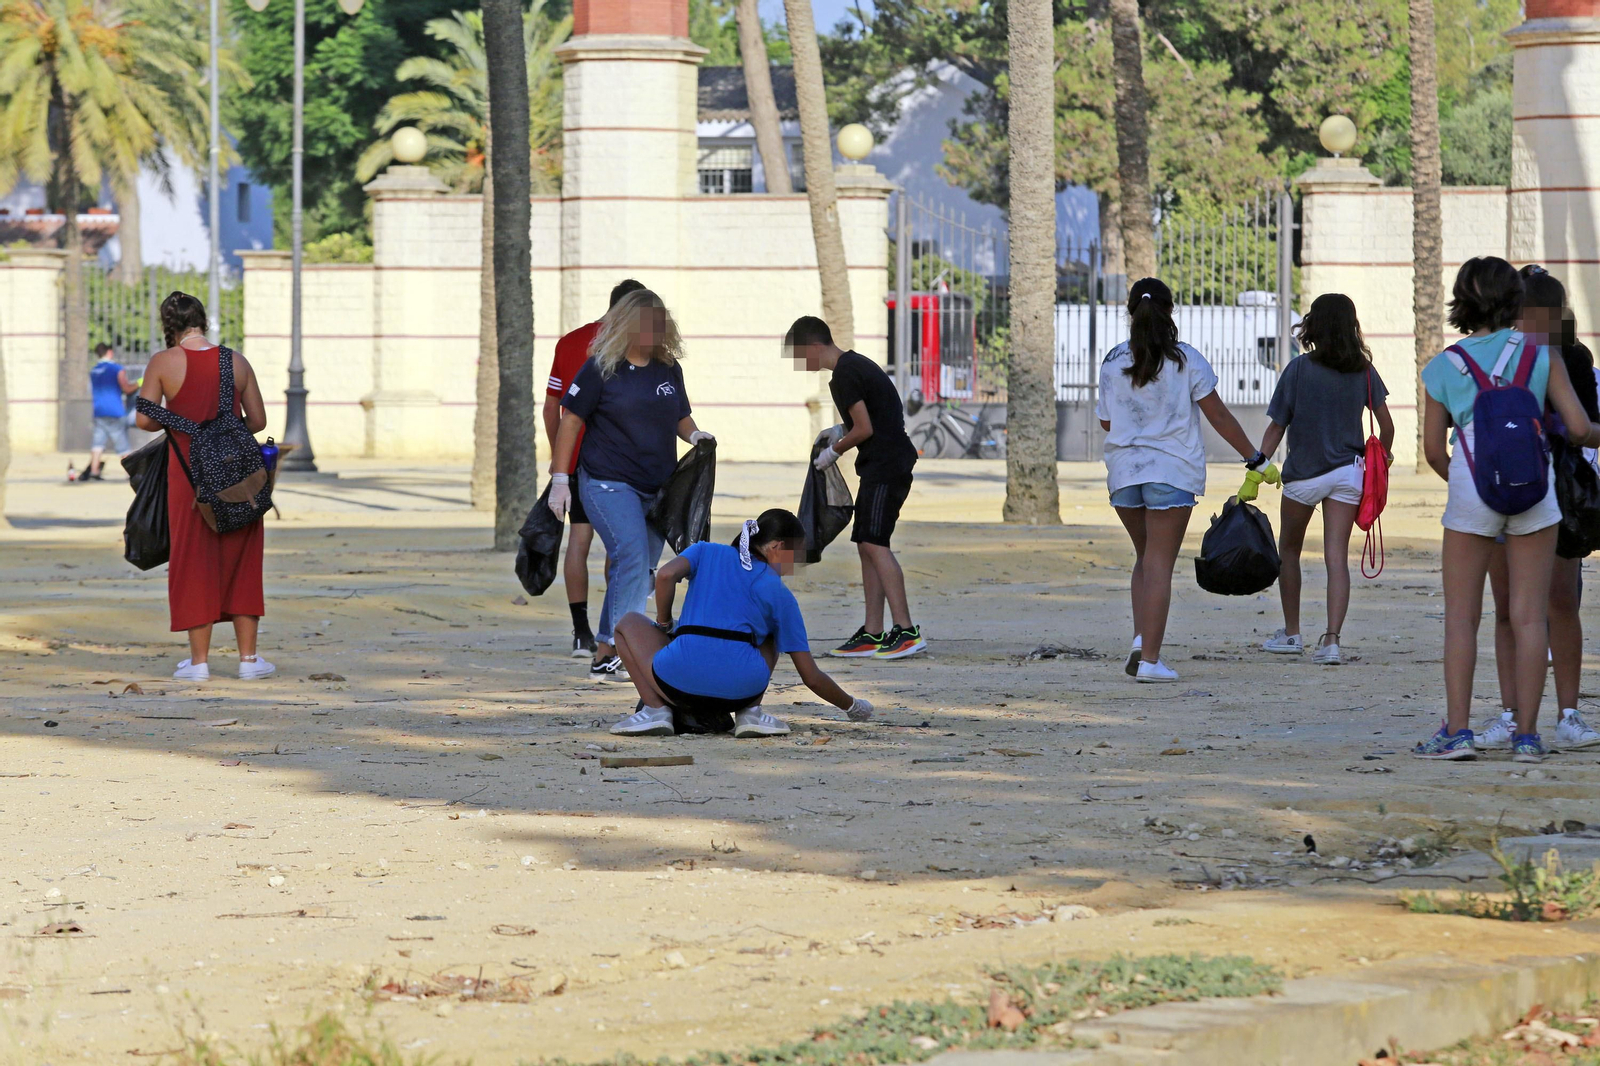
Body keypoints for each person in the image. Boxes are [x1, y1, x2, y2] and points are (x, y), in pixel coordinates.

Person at [1413, 257, 1600, 763]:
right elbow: (1578, 428)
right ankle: (1528, 737)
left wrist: (1467, 481)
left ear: (1462, 302)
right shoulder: (1543, 356)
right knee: (1530, 616)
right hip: (1534, 485)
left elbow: (1433, 451)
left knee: (1463, 616)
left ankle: (1458, 731)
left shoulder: (1444, 366)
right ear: (1515, 301)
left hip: (1473, 488)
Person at [1098, 277, 1274, 684]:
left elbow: (1106, 422)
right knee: (1160, 563)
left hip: (1124, 473)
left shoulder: (1112, 361)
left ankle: (1141, 640)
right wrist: (1255, 458)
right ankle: (1150, 661)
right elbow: (1219, 416)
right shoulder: (1186, 360)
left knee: (1144, 558)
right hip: (1172, 472)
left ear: (1130, 312)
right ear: (1170, 311)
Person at [547, 289, 714, 683]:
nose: (655, 333)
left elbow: (681, 416)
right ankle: (623, 647)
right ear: (626, 326)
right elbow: (570, 420)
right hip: (606, 482)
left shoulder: (668, 368)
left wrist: (695, 436)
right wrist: (560, 480)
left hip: (658, 487)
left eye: (660, 325)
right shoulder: (600, 368)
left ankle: (606, 654)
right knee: (633, 556)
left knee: (638, 568)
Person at [607, 509, 874, 738]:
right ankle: (750, 713)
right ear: (778, 547)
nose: (794, 568)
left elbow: (665, 575)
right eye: (795, 557)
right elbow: (812, 678)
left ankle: (655, 710)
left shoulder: (705, 551)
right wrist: (853, 706)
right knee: (772, 632)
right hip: (740, 694)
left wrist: (664, 623)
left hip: (674, 684)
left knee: (627, 622)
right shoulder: (780, 594)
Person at [1479, 266, 1600, 753]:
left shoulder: (1570, 356)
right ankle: (1519, 714)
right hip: (1513, 487)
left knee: (1552, 604)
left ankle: (1562, 714)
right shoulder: (1495, 353)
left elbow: (1586, 426)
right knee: (1517, 608)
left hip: (1546, 490)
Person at [135, 292, 273, 682]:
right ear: (203, 320)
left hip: (188, 477)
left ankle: (199, 664)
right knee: (243, 561)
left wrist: (189, 428)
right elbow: (258, 420)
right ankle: (249, 661)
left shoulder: (163, 362)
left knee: (193, 560)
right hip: (238, 477)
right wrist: (224, 437)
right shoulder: (236, 361)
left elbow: (145, 421)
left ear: (169, 326)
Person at [1254, 294, 1394, 666]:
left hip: (1303, 474)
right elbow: (1387, 426)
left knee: (1289, 551)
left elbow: (1276, 427)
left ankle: (1292, 633)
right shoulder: (1363, 370)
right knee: (1336, 558)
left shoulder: (1297, 369)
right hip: (1348, 473)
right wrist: (1383, 458)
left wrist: (1258, 464)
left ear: (1314, 325)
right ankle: (1331, 641)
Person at [783, 316, 926, 661]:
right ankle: (873, 631)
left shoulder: (843, 375)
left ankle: (906, 631)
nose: (801, 363)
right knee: (866, 544)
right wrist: (838, 430)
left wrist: (834, 451)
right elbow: (872, 416)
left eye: (800, 355)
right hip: (884, 464)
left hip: (886, 465)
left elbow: (864, 428)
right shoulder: (856, 364)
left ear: (814, 347)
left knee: (875, 543)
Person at [544, 278, 645, 658]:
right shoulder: (632, 344)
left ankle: (580, 633)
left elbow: (552, 406)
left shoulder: (569, 342)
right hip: (617, 460)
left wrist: (560, 458)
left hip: (575, 459)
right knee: (620, 547)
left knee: (579, 540)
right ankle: (615, 633)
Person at [86, 342, 137, 480]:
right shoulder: (116, 368)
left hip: (99, 411)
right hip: (115, 411)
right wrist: (140, 382)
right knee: (122, 444)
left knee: (97, 443)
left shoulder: (94, 370)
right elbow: (127, 388)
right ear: (109, 352)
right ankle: (130, 473)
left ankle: (94, 471)